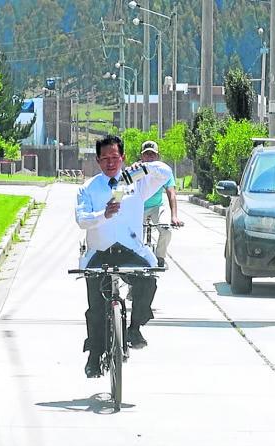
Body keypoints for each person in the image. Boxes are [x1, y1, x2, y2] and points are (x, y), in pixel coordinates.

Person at [75, 135, 174, 378]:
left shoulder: (137, 184)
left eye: (115, 157)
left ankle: (134, 328)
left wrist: (142, 169)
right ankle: (95, 354)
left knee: (148, 282)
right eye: (105, 158)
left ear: (123, 158)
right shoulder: (88, 189)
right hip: (100, 253)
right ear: (98, 160)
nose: (110, 162)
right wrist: (102, 215)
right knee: (96, 307)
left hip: (131, 251)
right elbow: (81, 220)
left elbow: (165, 172)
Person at [139, 141, 184, 267]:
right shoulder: (137, 170)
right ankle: (136, 257)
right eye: (146, 154)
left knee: (166, 230)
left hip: (156, 207)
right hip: (138, 208)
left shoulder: (164, 172)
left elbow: (171, 193)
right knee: (134, 235)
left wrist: (174, 216)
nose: (150, 158)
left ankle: (160, 256)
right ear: (142, 157)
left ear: (157, 157)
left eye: (152, 155)